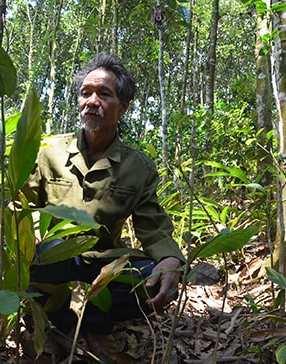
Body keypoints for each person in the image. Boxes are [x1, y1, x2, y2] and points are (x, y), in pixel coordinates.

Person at [23, 53, 185, 349]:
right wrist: (31, 231)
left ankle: (86, 318)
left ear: (122, 106)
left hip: (102, 263)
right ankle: (68, 318)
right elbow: (21, 202)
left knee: (154, 278)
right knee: (51, 257)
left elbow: (153, 227)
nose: (92, 101)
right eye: (86, 93)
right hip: (49, 254)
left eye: (103, 94)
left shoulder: (140, 168)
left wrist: (170, 260)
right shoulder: (46, 151)